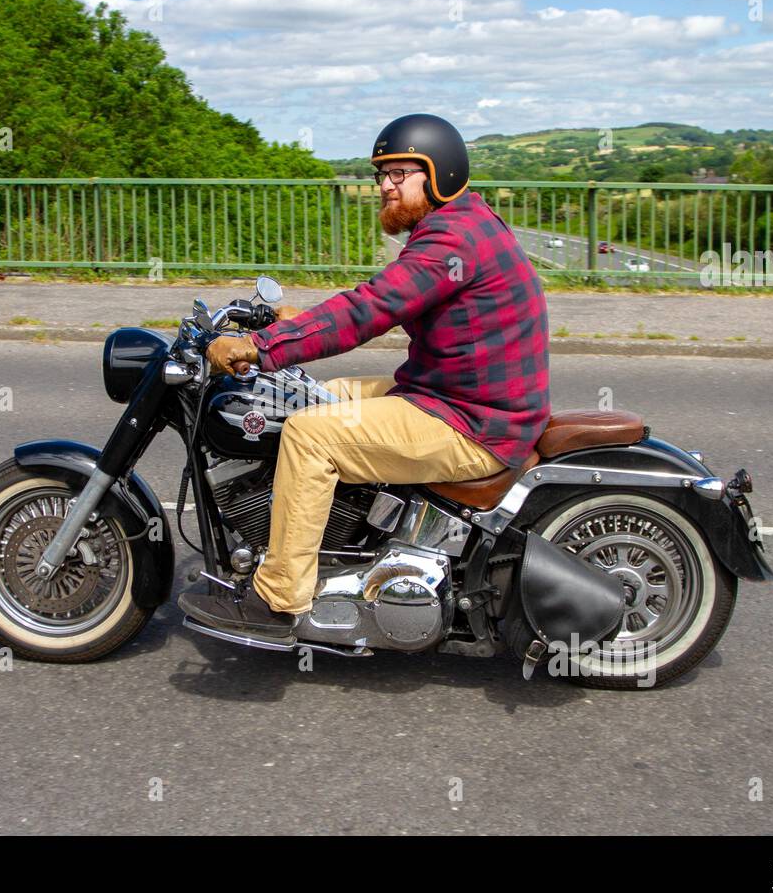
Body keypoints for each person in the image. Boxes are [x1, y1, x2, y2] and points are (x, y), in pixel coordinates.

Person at [180, 113, 550, 636]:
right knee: (311, 398)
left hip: (473, 420)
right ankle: (345, 541)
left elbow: (368, 310)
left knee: (310, 436)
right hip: (456, 396)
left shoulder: (453, 239)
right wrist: (293, 325)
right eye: (382, 175)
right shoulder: (460, 224)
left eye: (401, 173)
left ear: (439, 173)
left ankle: (280, 597)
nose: (385, 186)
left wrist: (260, 346)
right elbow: (381, 293)